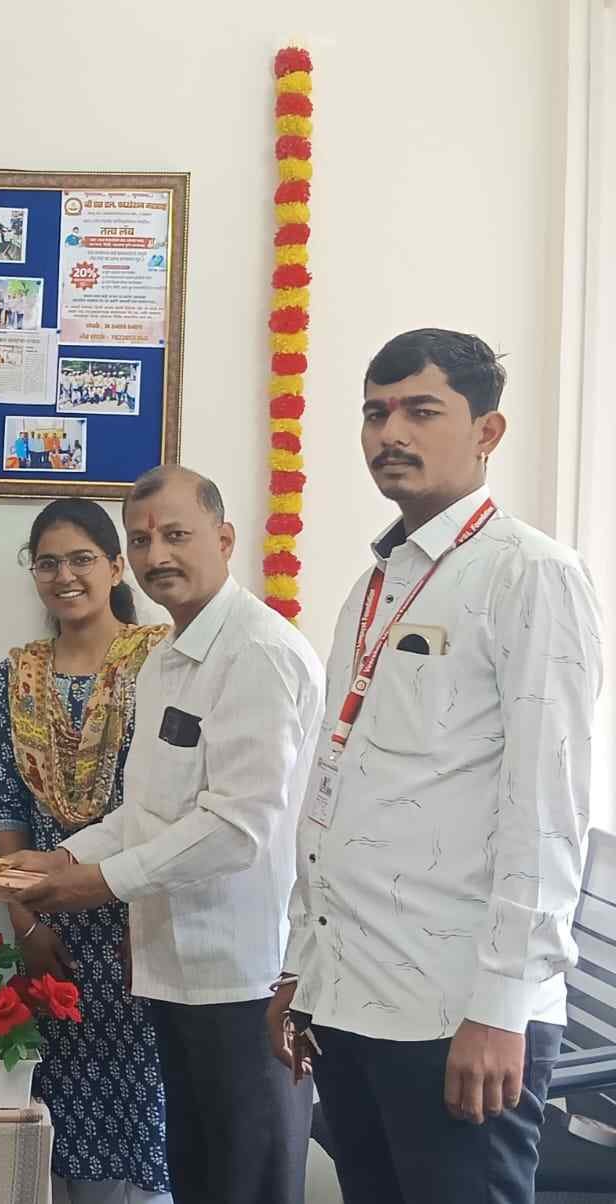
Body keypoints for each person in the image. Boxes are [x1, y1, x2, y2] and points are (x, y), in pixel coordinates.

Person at [269, 329, 604, 1204]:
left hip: (458, 1013)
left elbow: (547, 808)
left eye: (421, 411)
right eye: (375, 413)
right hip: (352, 993)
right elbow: (336, 787)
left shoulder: (531, 575)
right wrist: (302, 966)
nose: (391, 433)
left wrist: (503, 1006)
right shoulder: (375, 584)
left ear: (488, 431)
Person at [12, 465, 325, 1204]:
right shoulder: (165, 660)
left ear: (225, 539)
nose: (158, 556)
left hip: (248, 979)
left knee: (249, 1183)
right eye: (144, 539)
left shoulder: (258, 653)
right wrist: (62, 856)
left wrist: (94, 883)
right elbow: (146, 812)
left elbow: (237, 830)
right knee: (198, 1179)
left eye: (177, 535)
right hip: (176, 971)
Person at [0, 498, 172, 1204]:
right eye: (47, 563)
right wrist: (26, 925)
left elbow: (169, 805)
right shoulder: (17, 676)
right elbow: (8, 808)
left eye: (81, 559)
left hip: (140, 912)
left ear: (117, 566)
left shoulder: (162, 662)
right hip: (51, 927)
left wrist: (145, 915)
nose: (64, 576)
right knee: (58, 1109)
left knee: (149, 1105)